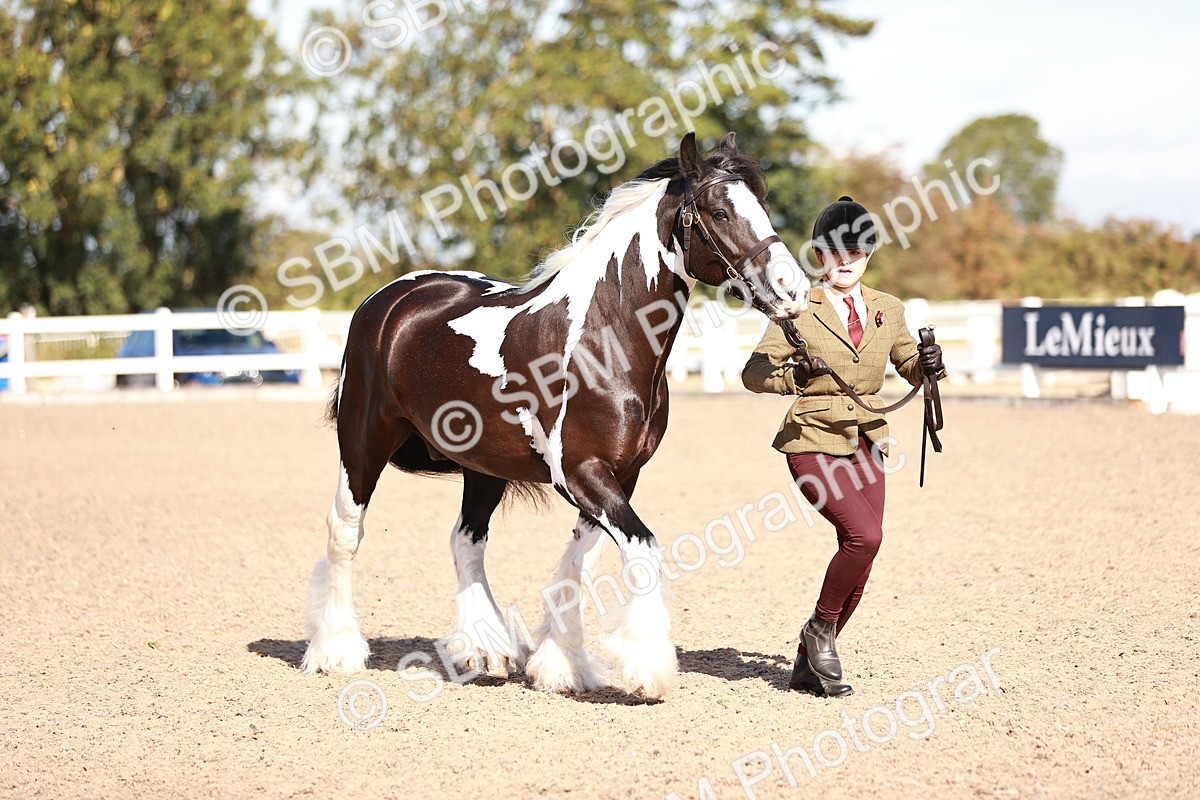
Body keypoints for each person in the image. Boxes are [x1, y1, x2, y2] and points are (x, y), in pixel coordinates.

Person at [741, 196, 946, 697]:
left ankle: (809, 659)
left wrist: (931, 364)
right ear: (819, 256)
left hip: (868, 438)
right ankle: (819, 629)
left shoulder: (887, 309)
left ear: (869, 256)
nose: (847, 262)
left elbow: (908, 368)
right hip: (811, 437)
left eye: (857, 252)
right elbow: (753, 374)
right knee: (865, 538)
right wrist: (795, 374)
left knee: (863, 551)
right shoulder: (795, 308)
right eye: (836, 252)